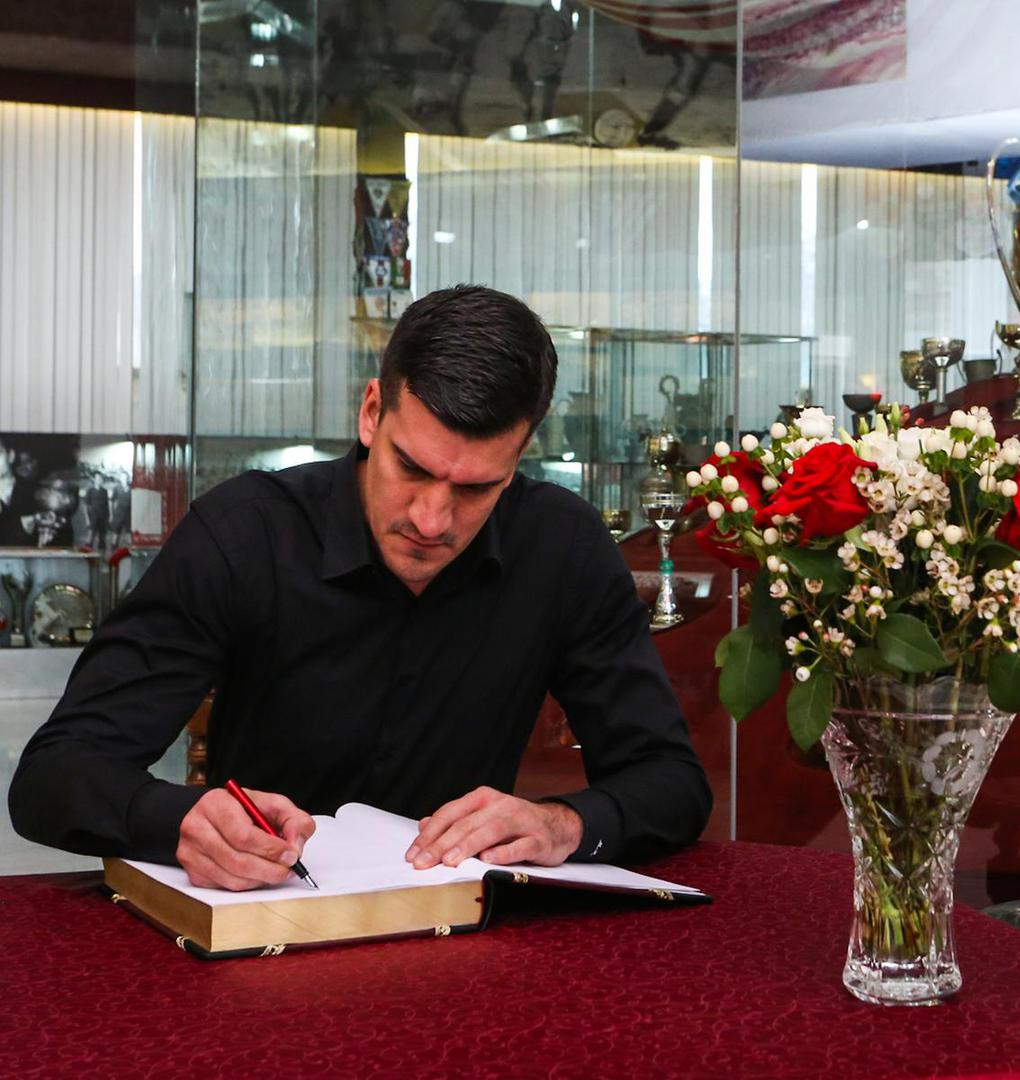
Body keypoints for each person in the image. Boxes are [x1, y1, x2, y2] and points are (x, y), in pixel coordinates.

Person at [10, 285, 711, 890]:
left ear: (520, 455)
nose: (432, 521)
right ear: (372, 412)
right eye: (411, 467)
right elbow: (52, 777)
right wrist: (181, 819)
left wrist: (564, 824)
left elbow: (672, 784)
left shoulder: (561, 546)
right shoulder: (245, 533)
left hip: (464, 938)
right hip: (261, 935)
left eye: (477, 488)